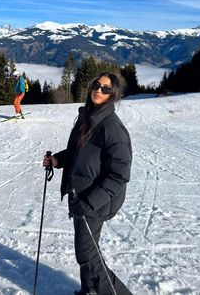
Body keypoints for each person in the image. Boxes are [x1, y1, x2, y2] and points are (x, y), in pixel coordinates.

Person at [43, 72, 133, 295]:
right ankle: (90, 291)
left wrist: (89, 203)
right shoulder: (90, 117)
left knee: (87, 254)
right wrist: (57, 160)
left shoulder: (111, 127)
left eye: (105, 89)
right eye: (96, 85)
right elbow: (78, 151)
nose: (98, 90)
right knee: (87, 251)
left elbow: (119, 175)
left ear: (114, 95)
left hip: (94, 201)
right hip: (81, 195)